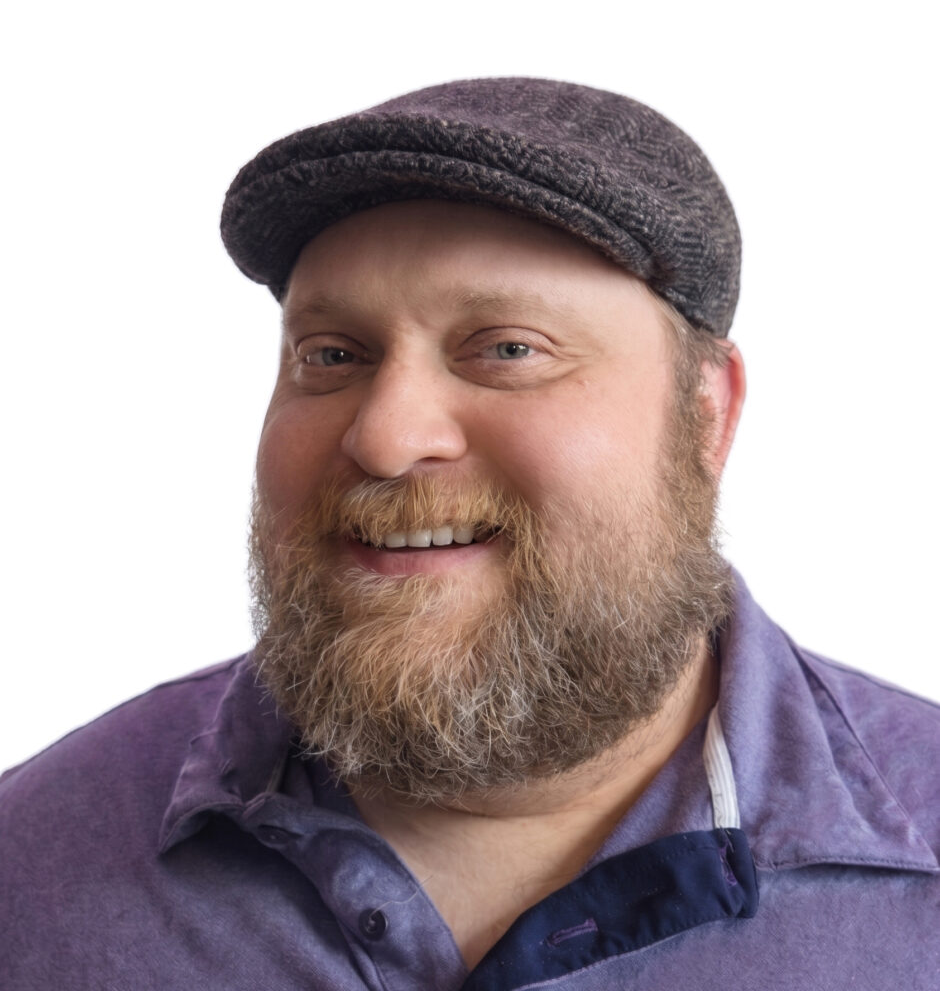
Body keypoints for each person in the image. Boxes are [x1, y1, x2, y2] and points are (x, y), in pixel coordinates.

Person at [1, 78, 937, 990]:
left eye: (507, 349)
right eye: (332, 357)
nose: (386, 436)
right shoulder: (29, 873)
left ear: (705, 415)